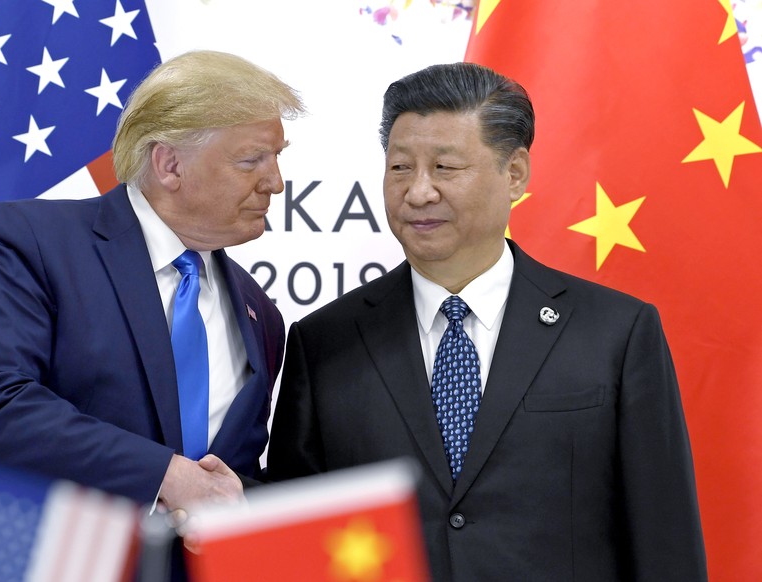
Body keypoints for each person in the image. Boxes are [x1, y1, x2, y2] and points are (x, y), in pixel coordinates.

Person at [267, 62, 707, 581]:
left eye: (445, 168)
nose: (418, 193)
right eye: (400, 167)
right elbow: (296, 540)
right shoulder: (324, 343)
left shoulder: (616, 332)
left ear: (515, 173)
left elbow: (665, 539)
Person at [0, 50, 303, 580]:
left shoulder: (260, 315)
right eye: (252, 160)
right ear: (169, 164)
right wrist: (167, 475)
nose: (275, 183)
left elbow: (223, 481)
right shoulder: (30, 241)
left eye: (277, 158)